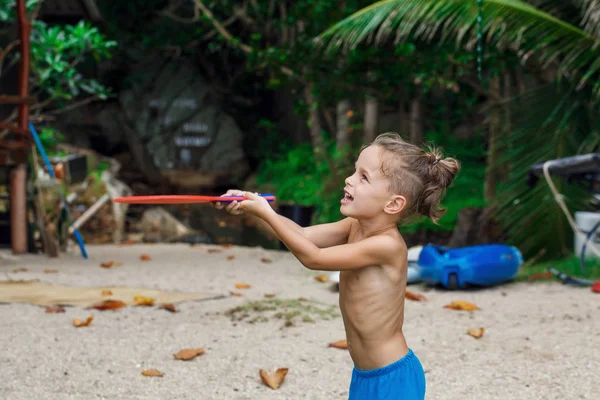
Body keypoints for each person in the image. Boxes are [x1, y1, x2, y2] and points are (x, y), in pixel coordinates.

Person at [215, 132, 460, 399]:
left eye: (363, 177)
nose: (349, 180)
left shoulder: (387, 246)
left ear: (393, 204)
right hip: (365, 375)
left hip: (393, 379)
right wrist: (254, 210)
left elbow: (314, 257)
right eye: (354, 171)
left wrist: (266, 212)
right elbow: (303, 235)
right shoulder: (354, 226)